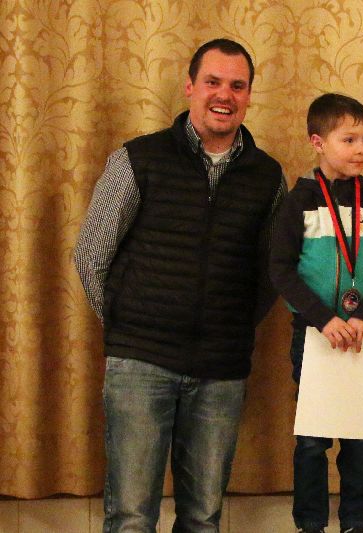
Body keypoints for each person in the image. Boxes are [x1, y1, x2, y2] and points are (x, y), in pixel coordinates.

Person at [74, 38, 286, 532]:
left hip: (221, 371)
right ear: (190, 86)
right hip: (140, 365)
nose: (224, 95)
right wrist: (129, 325)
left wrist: (229, 326)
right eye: (213, 82)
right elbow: (91, 256)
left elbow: (270, 274)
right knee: (131, 517)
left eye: (237, 86)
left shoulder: (268, 176)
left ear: (249, 96)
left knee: (203, 518)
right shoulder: (137, 159)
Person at [269, 93, 363, 533]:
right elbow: (279, 269)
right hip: (315, 334)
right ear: (318, 142)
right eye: (349, 139)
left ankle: (355, 523)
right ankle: (310, 524)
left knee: (357, 437)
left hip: (362, 334)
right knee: (312, 441)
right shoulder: (300, 202)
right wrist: (322, 318)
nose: (361, 149)